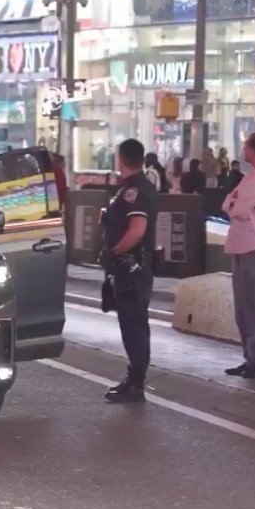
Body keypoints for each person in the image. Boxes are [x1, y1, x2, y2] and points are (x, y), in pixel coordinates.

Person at [99, 138, 158, 403]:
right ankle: (134, 380)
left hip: (133, 269)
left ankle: (136, 384)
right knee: (131, 324)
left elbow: (137, 230)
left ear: (121, 158)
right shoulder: (131, 189)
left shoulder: (136, 191)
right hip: (128, 270)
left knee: (133, 325)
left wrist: (115, 251)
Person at [223, 132, 255, 379]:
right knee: (243, 306)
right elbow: (229, 202)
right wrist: (235, 204)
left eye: (246, 145)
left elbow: (238, 205)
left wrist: (235, 204)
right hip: (242, 243)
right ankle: (251, 356)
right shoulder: (252, 175)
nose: (242, 149)